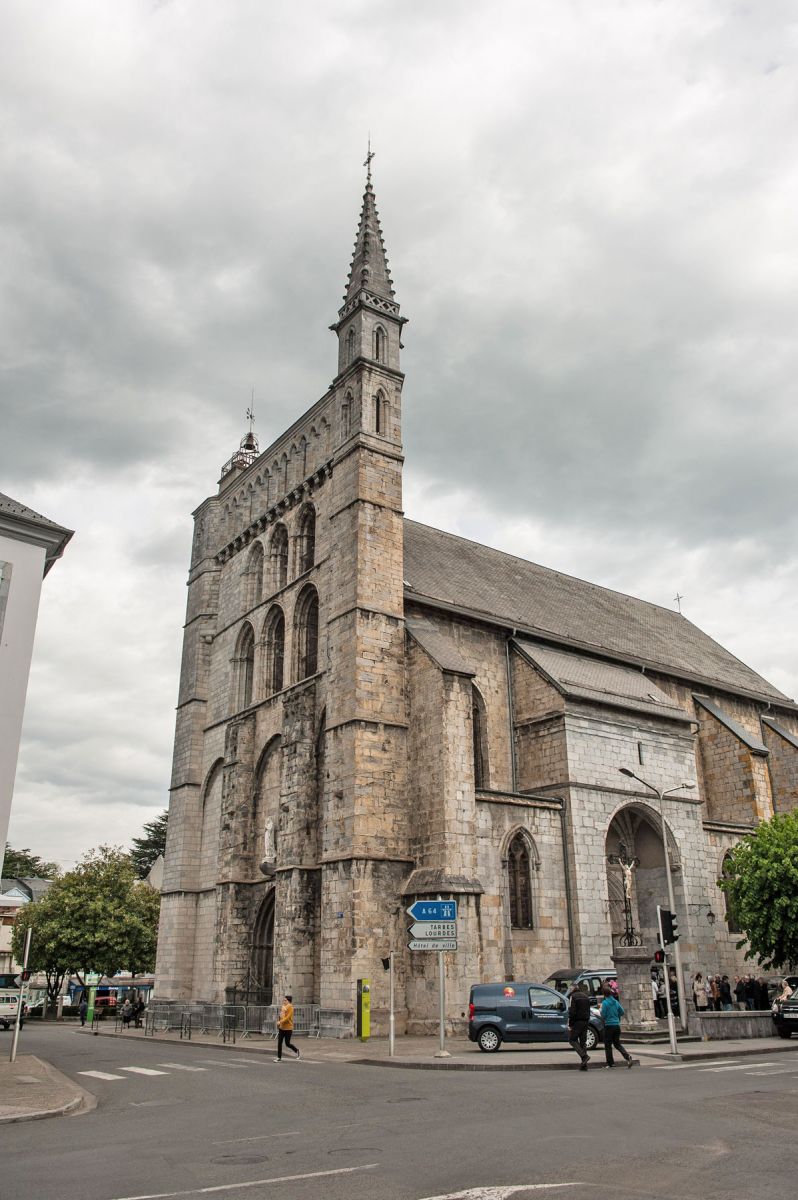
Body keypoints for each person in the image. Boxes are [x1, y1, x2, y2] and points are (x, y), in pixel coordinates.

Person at [600, 985, 638, 1069]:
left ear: (604, 994)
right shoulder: (615, 1002)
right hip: (616, 1025)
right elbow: (622, 1012)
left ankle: (610, 1063)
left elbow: (603, 1015)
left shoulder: (605, 1003)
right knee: (617, 1044)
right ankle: (627, 1057)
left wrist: (602, 1015)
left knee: (608, 1045)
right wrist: (616, 1016)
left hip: (608, 1025)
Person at [567, 982, 592, 1071]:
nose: (569, 990)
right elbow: (589, 1009)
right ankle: (584, 1065)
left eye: (570, 989)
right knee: (583, 1042)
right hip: (586, 1021)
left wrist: (570, 1024)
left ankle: (584, 1057)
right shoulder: (585, 996)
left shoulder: (573, 997)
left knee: (572, 1040)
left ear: (573, 989)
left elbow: (572, 1012)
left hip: (577, 1022)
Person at [274, 993, 301, 1062]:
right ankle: (279, 1058)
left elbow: (287, 1018)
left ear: (288, 1001)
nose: (283, 1001)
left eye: (285, 1000)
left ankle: (297, 1050)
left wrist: (280, 1022)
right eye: (283, 1000)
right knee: (279, 1042)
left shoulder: (290, 1008)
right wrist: (279, 1023)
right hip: (282, 1028)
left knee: (287, 1043)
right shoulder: (283, 1007)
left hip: (288, 1028)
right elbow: (281, 1015)